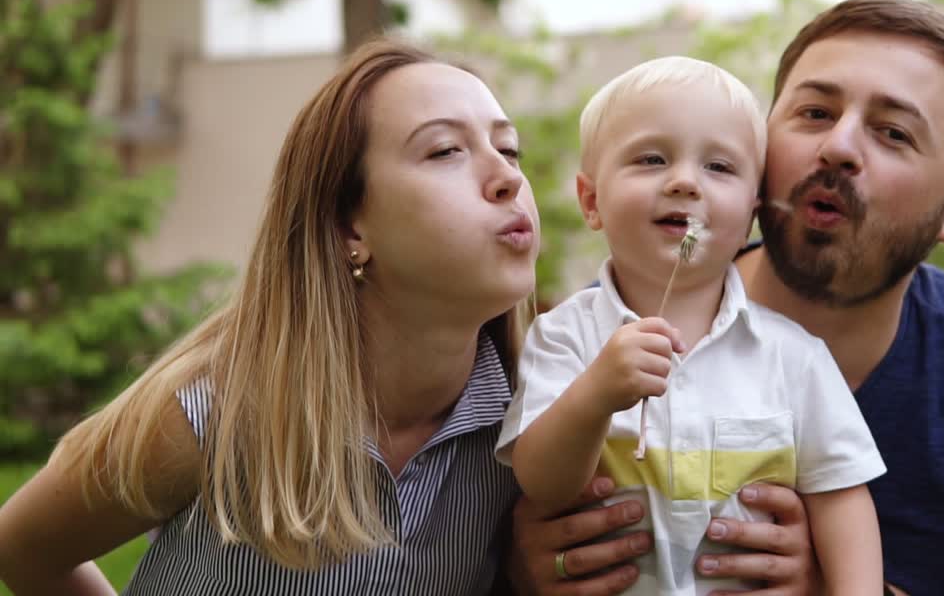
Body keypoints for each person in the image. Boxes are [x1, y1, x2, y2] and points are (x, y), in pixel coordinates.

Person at [507, 0, 944, 596]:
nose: (839, 147)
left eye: (893, 132)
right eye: (815, 113)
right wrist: (523, 568)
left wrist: (821, 585)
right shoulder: (601, 335)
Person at [0, 39, 540, 595]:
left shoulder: (539, 427)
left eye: (509, 149)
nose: (509, 178)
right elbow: (24, 549)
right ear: (349, 230)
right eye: (446, 150)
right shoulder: (216, 409)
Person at [494, 57, 886, 595]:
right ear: (591, 201)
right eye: (651, 159)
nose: (684, 182)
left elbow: (841, 496)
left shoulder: (793, 357)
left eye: (719, 168)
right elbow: (542, 482)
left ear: (750, 213)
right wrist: (596, 394)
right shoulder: (566, 337)